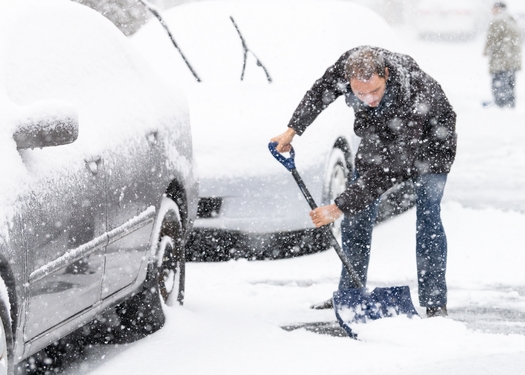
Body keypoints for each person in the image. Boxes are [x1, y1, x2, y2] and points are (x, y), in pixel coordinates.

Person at [270, 46, 457, 318]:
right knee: (356, 213)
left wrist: (337, 207)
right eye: (360, 93)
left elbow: (389, 170)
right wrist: (292, 130)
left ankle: (435, 302)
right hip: (381, 134)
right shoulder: (347, 66)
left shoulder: (414, 95)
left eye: (375, 91)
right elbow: (319, 93)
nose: (368, 99)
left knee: (428, 217)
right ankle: (351, 293)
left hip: (432, 144)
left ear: (387, 75)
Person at [483, 2, 522, 108]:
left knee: (499, 84)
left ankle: (500, 106)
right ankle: (510, 105)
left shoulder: (497, 20)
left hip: (501, 60)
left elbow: (491, 38)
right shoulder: (512, 20)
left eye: (493, 9)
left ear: (498, 9)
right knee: (510, 85)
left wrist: (486, 50)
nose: (492, 11)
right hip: (513, 60)